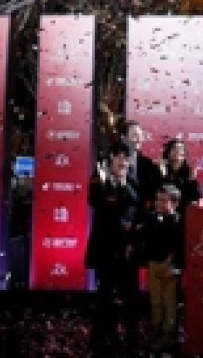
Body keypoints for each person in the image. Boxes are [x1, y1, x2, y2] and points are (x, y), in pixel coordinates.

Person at [85, 140, 142, 353]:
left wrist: (121, 182)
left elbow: (135, 201)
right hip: (105, 247)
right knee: (105, 295)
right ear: (111, 157)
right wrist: (107, 183)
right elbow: (95, 201)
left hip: (127, 249)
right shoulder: (98, 177)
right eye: (119, 156)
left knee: (130, 296)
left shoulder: (132, 179)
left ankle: (130, 339)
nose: (123, 161)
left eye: (126, 158)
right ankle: (102, 338)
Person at [139, 184, 185, 352]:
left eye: (164, 201)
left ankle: (168, 333)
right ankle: (156, 328)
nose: (159, 204)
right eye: (158, 200)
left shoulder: (179, 221)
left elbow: (180, 246)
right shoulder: (151, 217)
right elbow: (146, 239)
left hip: (169, 266)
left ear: (174, 203)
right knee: (155, 300)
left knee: (169, 301)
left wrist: (175, 266)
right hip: (153, 263)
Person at [120, 119, 163, 208]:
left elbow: (154, 194)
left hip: (140, 218)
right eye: (135, 135)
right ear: (123, 138)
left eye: (141, 136)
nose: (139, 139)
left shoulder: (149, 165)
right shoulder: (107, 162)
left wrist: (161, 174)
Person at [159, 139, 200, 214]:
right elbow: (161, 192)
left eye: (181, 149)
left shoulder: (189, 170)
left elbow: (195, 197)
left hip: (184, 212)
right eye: (174, 148)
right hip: (164, 212)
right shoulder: (161, 169)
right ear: (168, 152)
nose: (178, 151)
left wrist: (192, 180)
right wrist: (163, 175)